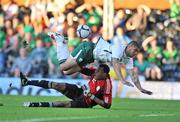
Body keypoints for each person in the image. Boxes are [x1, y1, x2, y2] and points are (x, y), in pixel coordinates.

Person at [48, 32, 152, 95]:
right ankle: (60, 40)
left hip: (90, 58)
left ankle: (63, 43)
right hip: (87, 49)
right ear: (129, 47)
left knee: (67, 72)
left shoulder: (128, 58)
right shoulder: (119, 48)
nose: (136, 54)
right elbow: (115, 63)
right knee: (62, 67)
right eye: (135, 51)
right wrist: (122, 79)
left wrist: (140, 88)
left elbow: (133, 74)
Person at [22, 64, 112, 109]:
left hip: (85, 102)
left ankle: (33, 105)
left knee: (61, 104)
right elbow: (83, 70)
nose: (95, 72)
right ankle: (27, 82)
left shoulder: (107, 85)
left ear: (104, 74)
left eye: (98, 71)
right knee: (57, 85)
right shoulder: (95, 72)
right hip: (80, 91)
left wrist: (91, 96)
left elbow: (107, 105)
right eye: (96, 70)